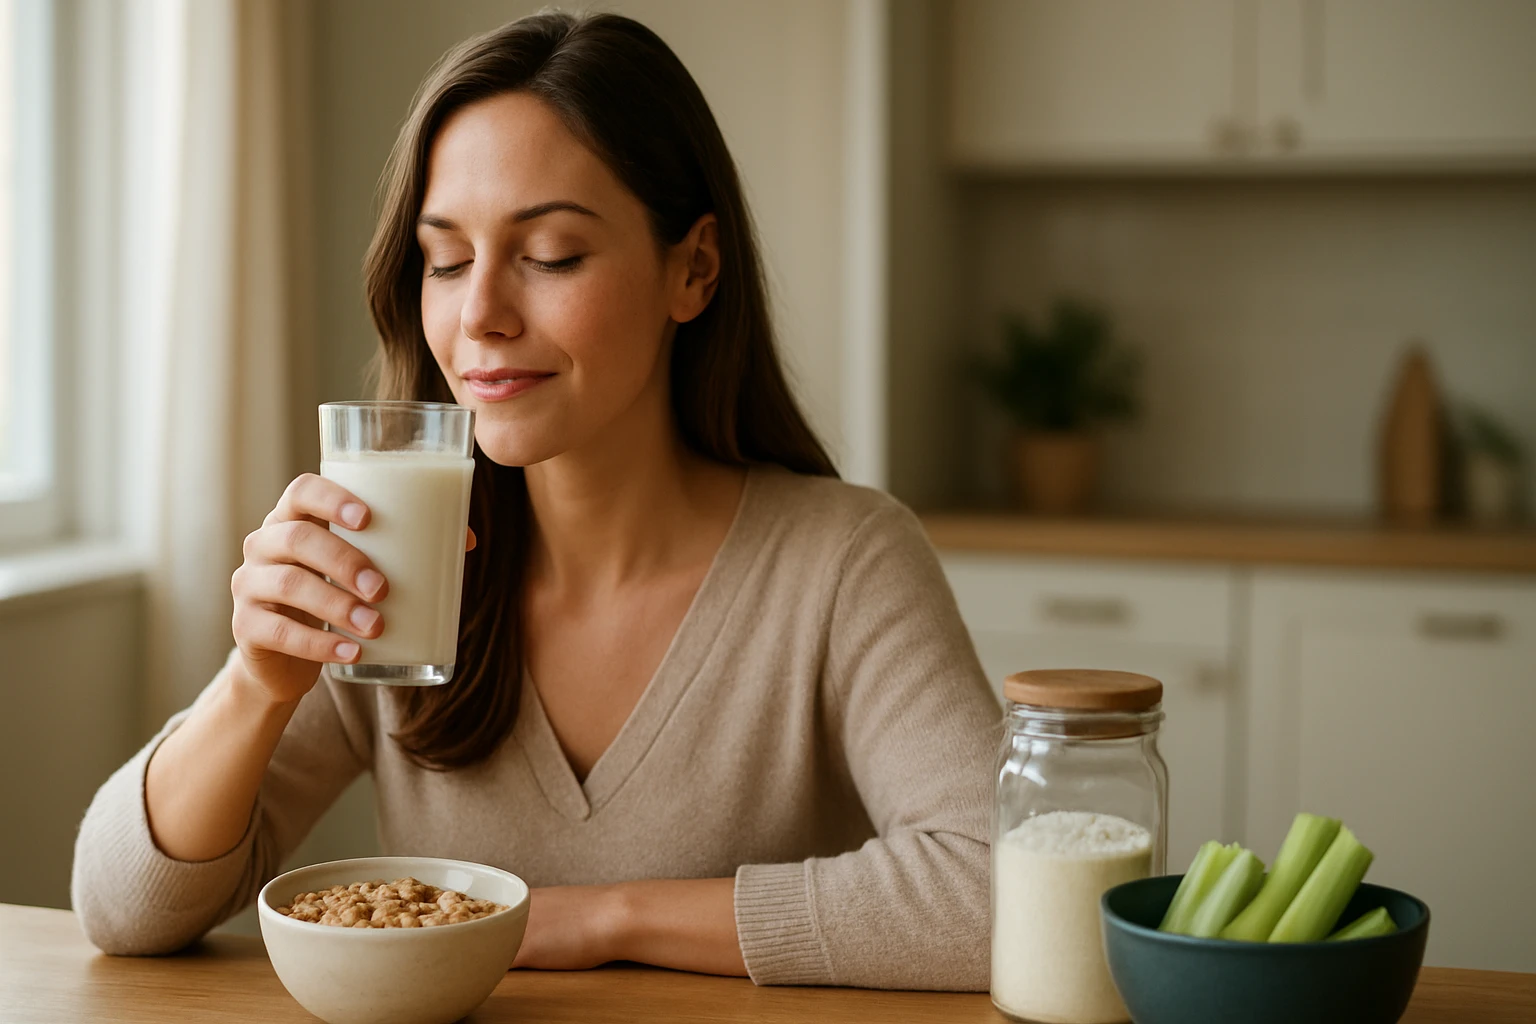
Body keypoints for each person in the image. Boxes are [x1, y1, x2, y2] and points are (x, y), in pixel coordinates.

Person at [72, 10, 997, 990]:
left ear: (694, 268)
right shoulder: (397, 558)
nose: (480, 317)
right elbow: (121, 907)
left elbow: (999, 889)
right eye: (446, 259)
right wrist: (256, 684)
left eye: (550, 254)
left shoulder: (841, 561)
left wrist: (606, 917)